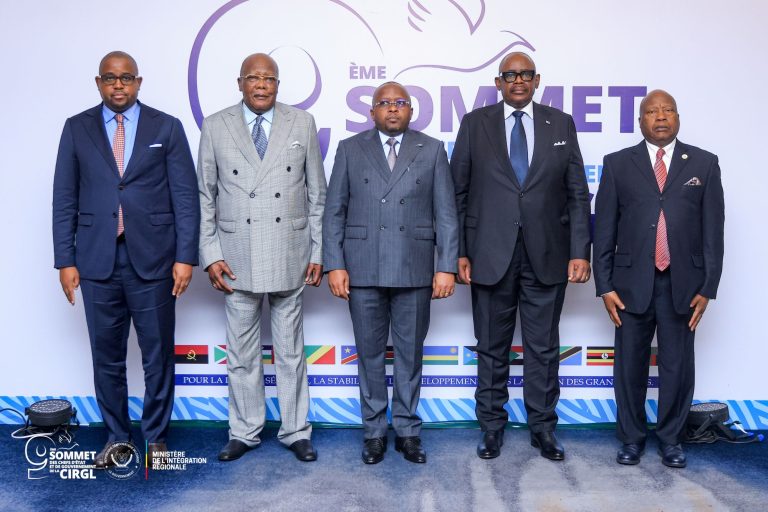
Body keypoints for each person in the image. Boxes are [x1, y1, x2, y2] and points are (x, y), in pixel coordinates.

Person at [52, 51, 200, 467]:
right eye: (110, 78)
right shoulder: (76, 128)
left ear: (138, 82)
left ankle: (155, 439)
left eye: (126, 78)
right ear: (98, 83)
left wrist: (185, 256)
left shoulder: (166, 127)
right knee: (107, 358)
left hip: (154, 261)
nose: (118, 85)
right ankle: (117, 438)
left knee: (158, 356)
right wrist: (65, 260)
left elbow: (185, 198)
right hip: (96, 261)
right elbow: (64, 198)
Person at [451, 52, 591, 460]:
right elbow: (457, 192)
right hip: (488, 254)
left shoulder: (560, 124)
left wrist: (579, 251)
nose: (518, 80)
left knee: (543, 348)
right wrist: (459, 252)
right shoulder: (474, 124)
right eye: (510, 75)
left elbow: (577, 193)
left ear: (537, 80)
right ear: (498, 82)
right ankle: (491, 427)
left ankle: (543, 428)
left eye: (525, 74)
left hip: (547, 253)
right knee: (491, 346)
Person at [198, 53, 326, 462]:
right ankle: (244, 431)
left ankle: (295, 431)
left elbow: (317, 194)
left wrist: (318, 250)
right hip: (236, 255)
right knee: (241, 354)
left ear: (277, 84)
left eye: (268, 78)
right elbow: (205, 196)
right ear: (240, 83)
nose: (261, 85)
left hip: (290, 251)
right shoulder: (215, 125)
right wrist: (210, 253)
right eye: (253, 77)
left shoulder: (301, 122)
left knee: (290, 352)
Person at [323, 82, 458, 464]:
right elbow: (334, 211)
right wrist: (335, 263)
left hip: (414, 267)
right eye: (385, 103)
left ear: (411, 110)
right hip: (362, 267)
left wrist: (446, 266)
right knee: (369, 355)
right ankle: (374, 433)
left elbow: (446, 214)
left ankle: (408, 432)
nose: (393, 108)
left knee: (409, 355)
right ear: (372, 112)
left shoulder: (432, 149)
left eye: (400, 102)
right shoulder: (350, 149)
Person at [593, 89, 724, 468]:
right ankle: (631, 439)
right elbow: (605, 230)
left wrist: (708, 287)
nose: (661, 116)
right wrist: (605, 286)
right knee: (629, 367)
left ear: (678, 118)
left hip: (684, 284)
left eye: (668, 110)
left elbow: (714, 231)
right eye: (652, 111)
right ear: (640, 121)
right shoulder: (618, 164)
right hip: (629, 284)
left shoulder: (704, 163)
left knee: (677, 367)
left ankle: (671, 440)